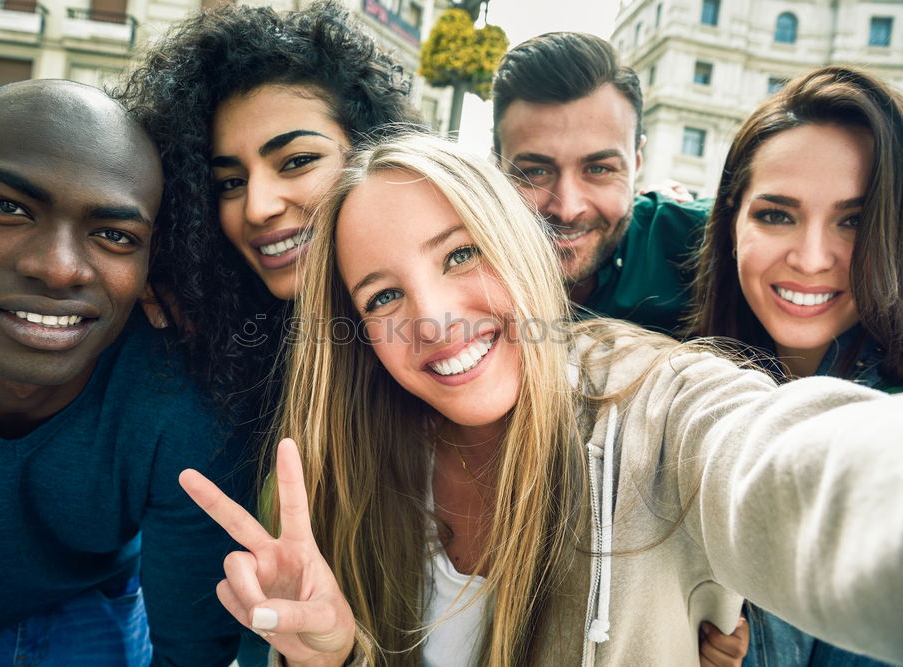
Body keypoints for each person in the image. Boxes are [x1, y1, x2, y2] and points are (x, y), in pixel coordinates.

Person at [180, 133, 903, 666]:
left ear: (521, 241)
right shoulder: (345, 477)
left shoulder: (656, 404)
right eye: (385, 295)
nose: (432, 318)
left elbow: (784, 464)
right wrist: (331, 657)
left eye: (461, 253)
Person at [0, 80, 261, 666]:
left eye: (114, 235)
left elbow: (188, 651)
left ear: (152, 261)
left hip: (97, 604)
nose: (57, 268)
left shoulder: (181, 397)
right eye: (9, 208)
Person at [686, 65, 903, 666]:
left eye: (853, 220)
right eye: (776, 214)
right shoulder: (681, 376)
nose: (810, 258)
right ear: (731, 219)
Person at [115, 0, 421, 415]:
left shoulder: (448, 322)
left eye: (297, 161)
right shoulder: (183, 343)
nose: (257, 208)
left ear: (370, 149)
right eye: (230, 183)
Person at [492, 31, 710, 334]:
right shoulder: (454, 262)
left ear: (636, 163)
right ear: (496, 167)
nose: (568, 209)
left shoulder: (707, 243)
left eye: (598, 169)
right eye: (535, 172)